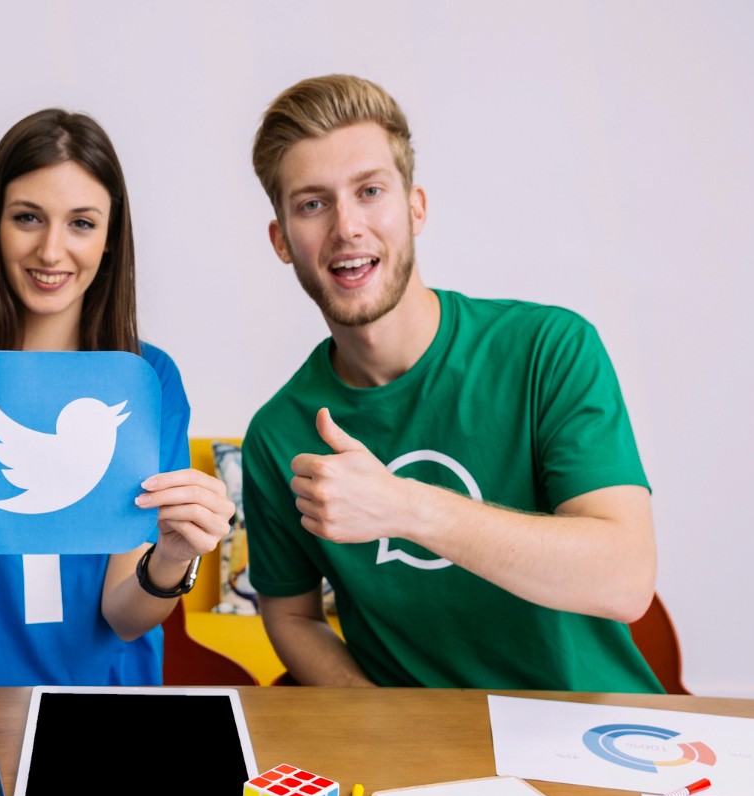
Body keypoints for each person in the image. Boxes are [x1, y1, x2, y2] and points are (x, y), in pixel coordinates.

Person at [241, 75, 661, 692]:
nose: (347, 227)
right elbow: (291, 615)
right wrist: (384, 727)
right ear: (282, 241)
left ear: (416, 207)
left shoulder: (550, 349)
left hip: (595, 735)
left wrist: (405, 506)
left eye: (370, 191)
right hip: (420, 767)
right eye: (312, 203)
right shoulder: (277, 434)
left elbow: (624, 578)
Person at [0, 109, 234, 686]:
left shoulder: (150, 379)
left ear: (111, 236)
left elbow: (125, 617)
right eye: (27, 218)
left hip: (109, 705)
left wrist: (171, 557)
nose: (51, 250)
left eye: (82, 224)